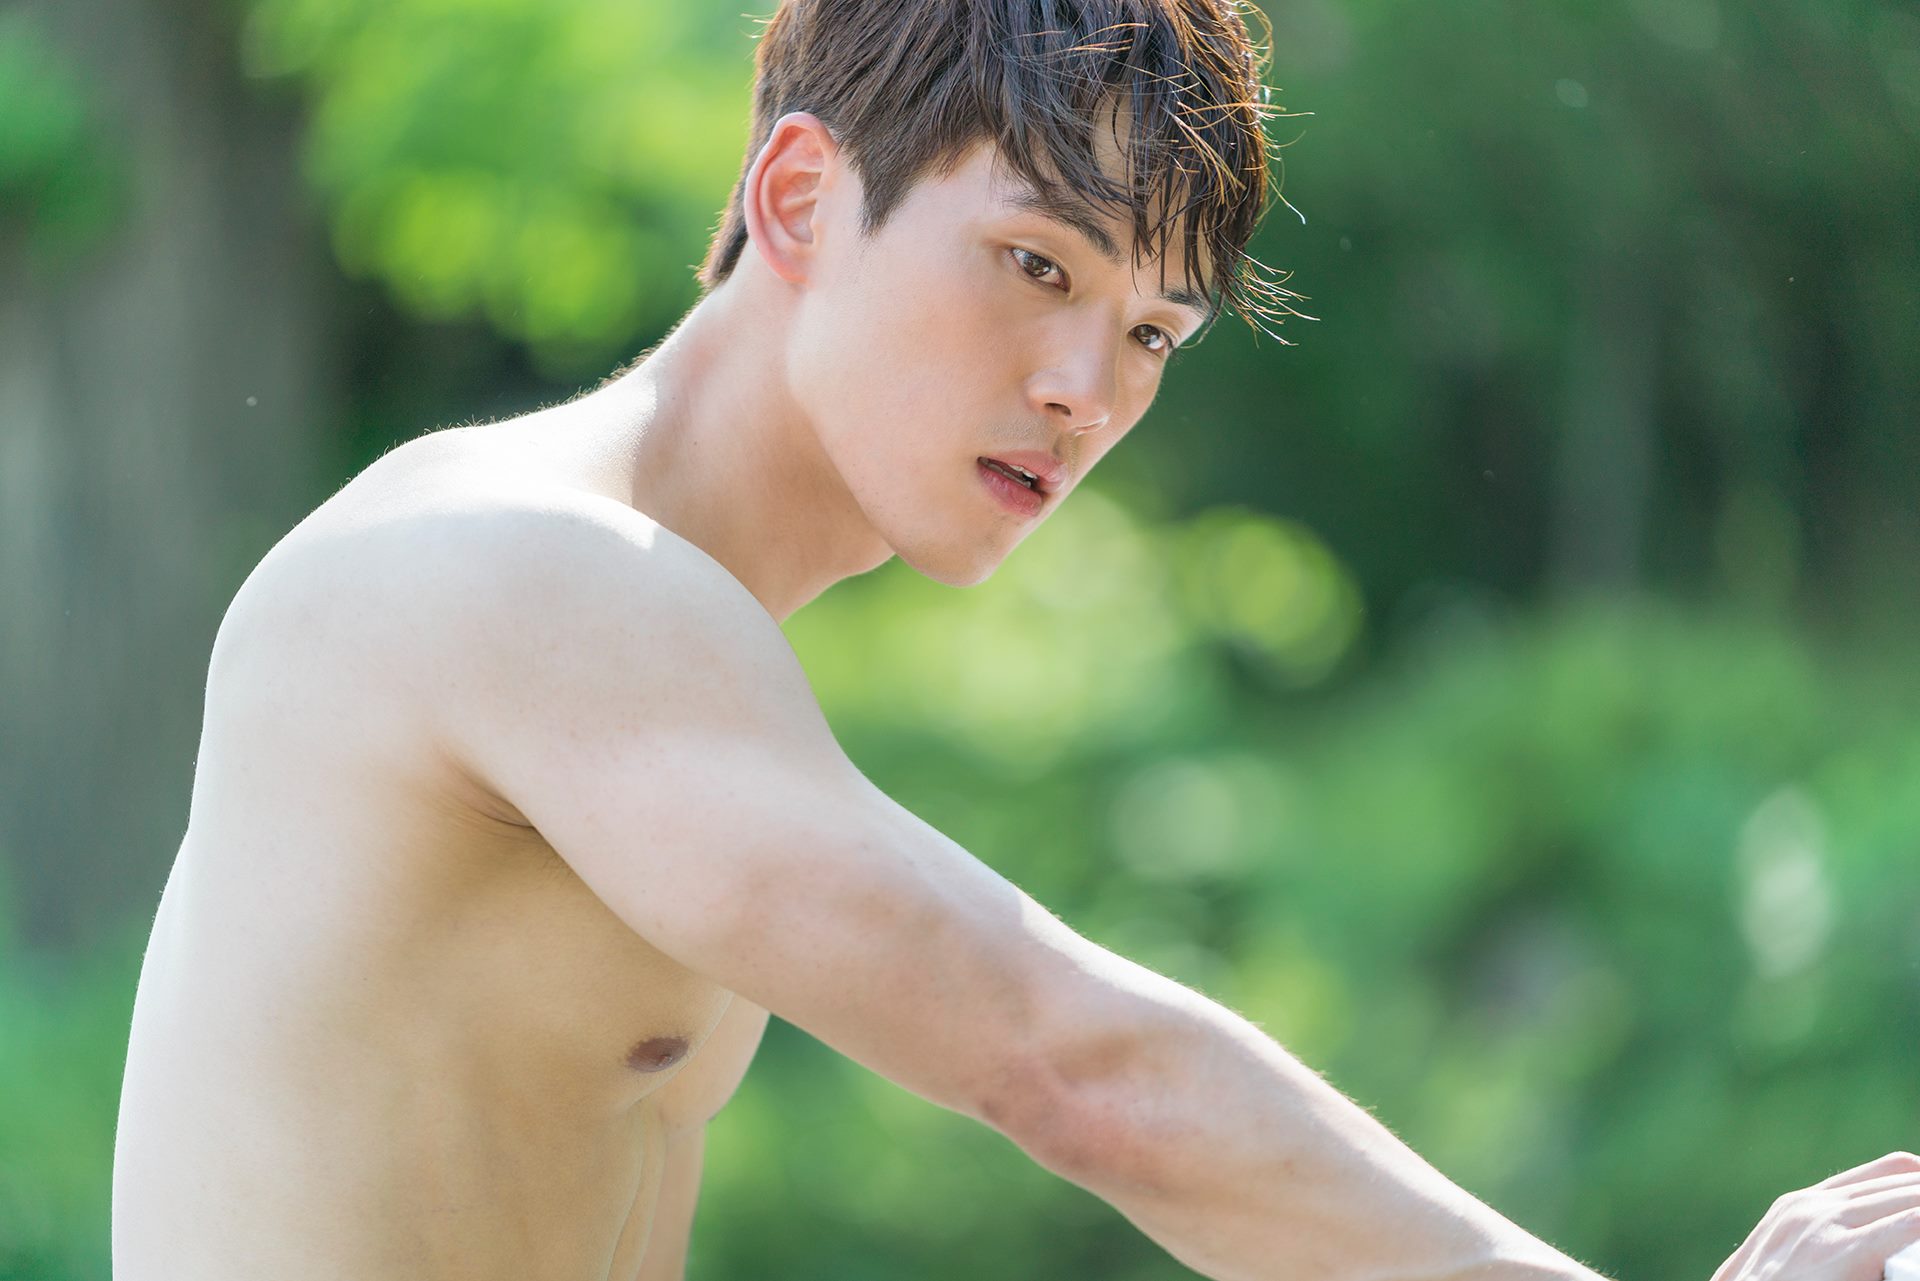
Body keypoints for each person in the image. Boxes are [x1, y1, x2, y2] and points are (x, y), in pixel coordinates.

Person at [110, 1, 1920, 1277]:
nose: (1086, 391)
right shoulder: (519, 567)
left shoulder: (678, 645)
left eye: (1152, 334)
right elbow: (1069, 1064)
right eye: (1039, 265)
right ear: (800, 200)